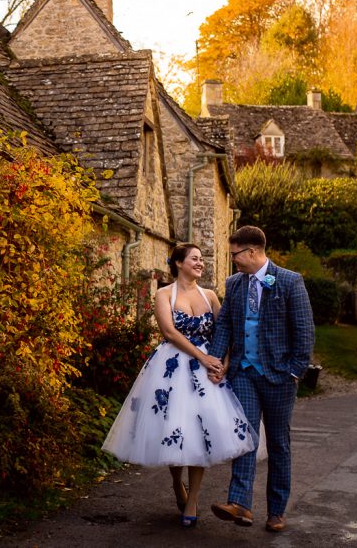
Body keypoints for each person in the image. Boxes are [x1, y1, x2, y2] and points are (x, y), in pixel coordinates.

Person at [102, 243, 258, 528]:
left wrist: (221, 362)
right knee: (173, 429)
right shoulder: (164, 294)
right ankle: (177, 482)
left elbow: (226, 330)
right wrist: (202, 356)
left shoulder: (209, 295)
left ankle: (193, 498)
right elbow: (169, 331)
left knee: (201, 433)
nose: (200, 263)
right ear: (178, 263)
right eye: (195, 259)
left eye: (201, 259)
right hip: (172, 368)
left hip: (207, 372)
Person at [206, 226, 314, 533]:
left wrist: (294, 371)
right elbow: (225, 324)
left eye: (236, 255)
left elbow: (305, 331)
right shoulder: (234, 284)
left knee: (279, 444)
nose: (233, 262)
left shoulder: (290, 281)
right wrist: (216, 360)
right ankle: (240, 503)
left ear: (252, 252)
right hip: (244, 372)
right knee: (245, 436)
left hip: (280, 376)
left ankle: (276, 511)